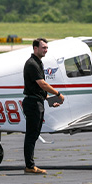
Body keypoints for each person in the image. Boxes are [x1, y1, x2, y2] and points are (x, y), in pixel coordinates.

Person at [22, 38, 64, 175]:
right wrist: (58, 94)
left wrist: (50, 100)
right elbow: (42, 84)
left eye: (46, 48)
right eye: (43, 48)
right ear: (35, 48)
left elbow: (38, 89)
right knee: (31, 135)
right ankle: (30, 166)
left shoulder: (38, 62)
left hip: (37, 101)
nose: (45, 50)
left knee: (33, 135)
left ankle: (30, 164)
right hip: (33, 104)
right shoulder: (32, 64)